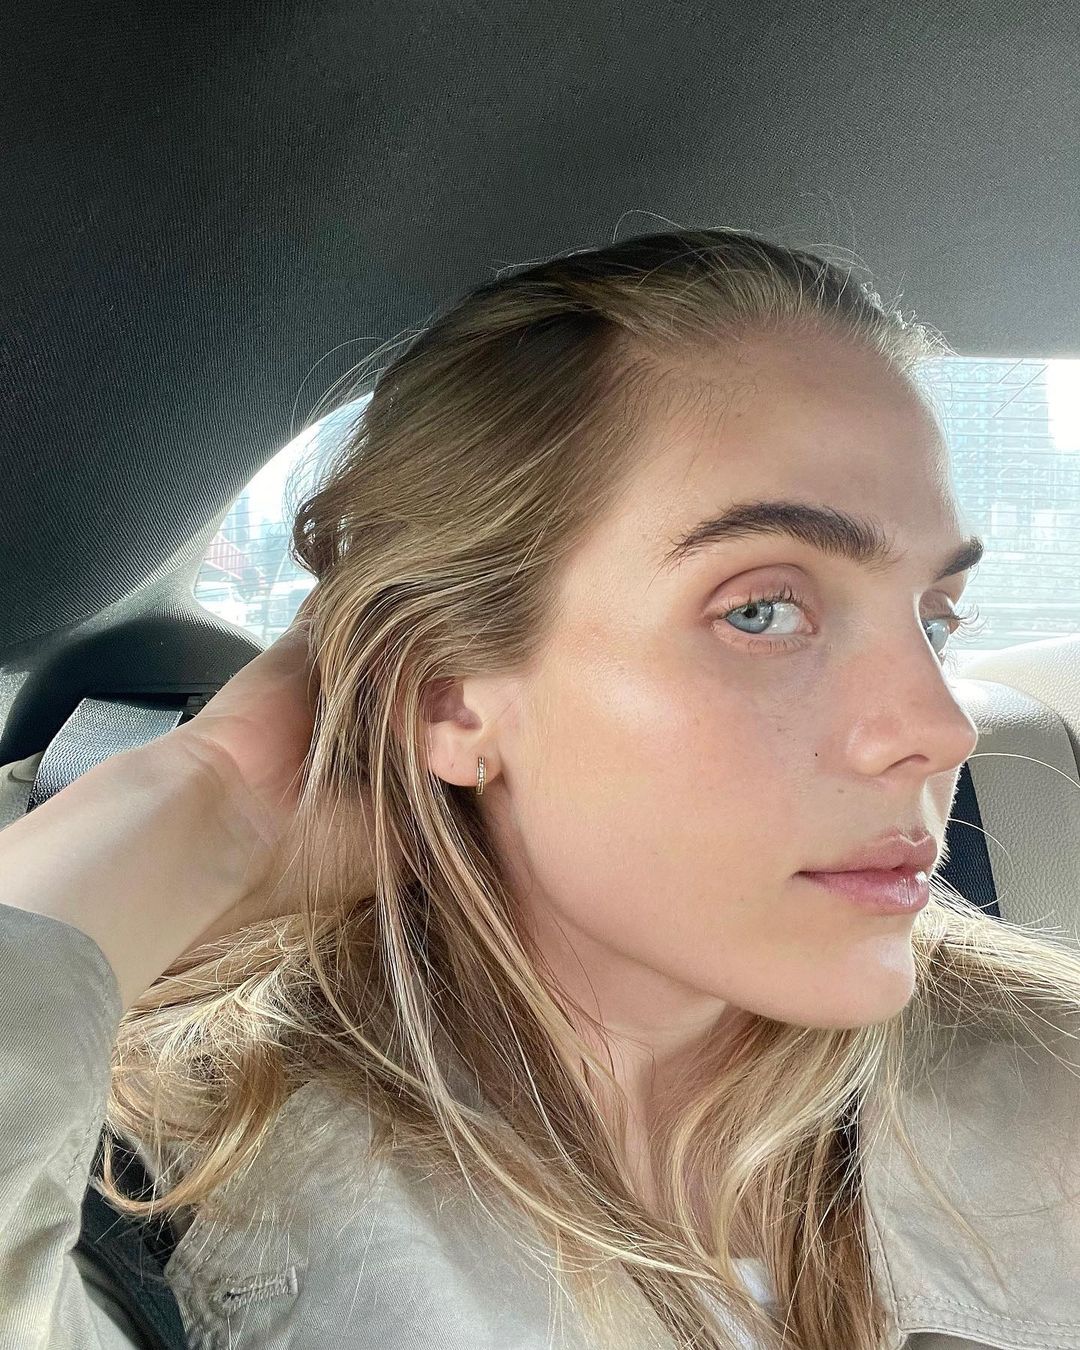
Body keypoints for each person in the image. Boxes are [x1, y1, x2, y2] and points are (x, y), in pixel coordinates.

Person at [4, 226, 1080, 1350]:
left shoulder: (1053, 1093)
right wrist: (209, 796)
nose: (938, 728)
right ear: (447, 696)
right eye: (762, 611)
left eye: (935, 619)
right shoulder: (169, 1204)